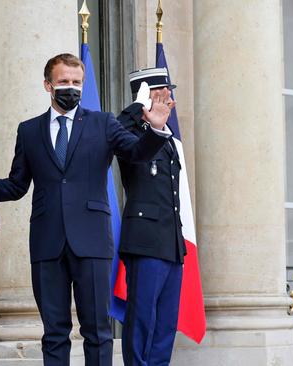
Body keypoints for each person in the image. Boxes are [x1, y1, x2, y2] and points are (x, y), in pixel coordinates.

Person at [0, 54, 173, 366]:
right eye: (64, 82)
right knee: (54, 333)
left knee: (97, 331)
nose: (71, 88)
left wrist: (155, 130)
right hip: (47, 243)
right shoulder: (29, 131)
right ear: (48, 85)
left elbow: (134, 153)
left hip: (91, 241)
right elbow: (15, 185)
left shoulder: (103, 123)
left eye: (76, 82)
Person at [116, 67, 185, 366]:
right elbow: (119, 137)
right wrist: (136, 109)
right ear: (148, 97)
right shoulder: (130, 134)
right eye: (162, 93)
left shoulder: (167, 138)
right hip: (145, 243)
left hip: (170, 243)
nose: (169, 99)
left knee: (165, 324)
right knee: (142, 318)